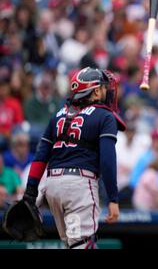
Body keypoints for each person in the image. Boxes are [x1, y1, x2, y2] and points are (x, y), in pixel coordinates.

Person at [22, 67, 126, 249]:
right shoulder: (105, 116)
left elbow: (40, 157)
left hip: (53, 187)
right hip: (78, 188)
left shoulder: (57, 116)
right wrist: (113, 198)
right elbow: (108, 161)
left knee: (74, 244)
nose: (106, 90)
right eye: (103, 87)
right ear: (95, 91)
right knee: (82, 244)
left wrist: (30, 193)